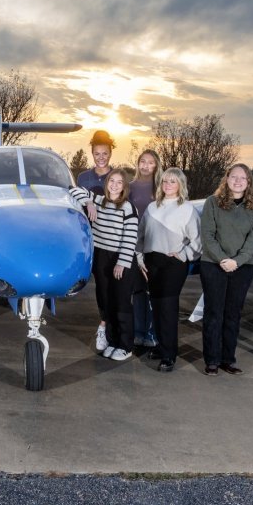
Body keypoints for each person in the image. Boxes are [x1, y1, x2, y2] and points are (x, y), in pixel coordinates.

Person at [199, 164, 253, 376]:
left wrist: (236, 261)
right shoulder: (212, 202)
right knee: (213, 313)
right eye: (234, 177)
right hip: (213, 265)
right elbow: (207, 235)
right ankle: (212, 360)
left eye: (243, 178)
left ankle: (228, 359)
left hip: (242, 267)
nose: (238, 181)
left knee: (232, 315)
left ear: (249, 182)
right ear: (227, 178)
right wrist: (223, 259)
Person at [71, 168, 139, 361]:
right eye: (112, 181)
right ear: (106, 183)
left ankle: (125, 346)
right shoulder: (99, 201)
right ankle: (112, 341)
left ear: (124, 186)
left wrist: (122, 263)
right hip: (101, 256)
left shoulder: (128, 207)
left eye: (119, 182)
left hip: (121, 259)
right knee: (106, 301)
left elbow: (130, 238)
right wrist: (89, 202)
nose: (115, 185)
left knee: (121, 303)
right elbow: (72, 189)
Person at [137, 168, 200, 372]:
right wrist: (139, 259)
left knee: (168, 308)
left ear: (180, 185)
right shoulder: (151, 208)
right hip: (151, 261)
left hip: (173, 264)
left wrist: (183, 255)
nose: (168, 185)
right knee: (156, 306)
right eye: (165, 181)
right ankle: (162, 346)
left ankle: (169, 355)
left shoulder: (188, 209)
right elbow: (140, 237)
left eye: (173, 182)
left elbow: (198, 242)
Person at [76, 129, 115, 350]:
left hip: (107, 238)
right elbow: (73, 194)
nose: (101, 157)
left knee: (104, 286)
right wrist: (89, 201)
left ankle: (104, 326)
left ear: (110, 153)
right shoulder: (83, 177)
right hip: (86, 237)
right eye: (97, 153)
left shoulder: (117, 176)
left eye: (104, 153)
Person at [129, 149, 161, 350]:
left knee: (153, 291)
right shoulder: (130, 186)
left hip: (154, 245)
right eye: (142, 161)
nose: (146, 165)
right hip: (133, 244)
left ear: (156, 165)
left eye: (150, 162)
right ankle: (138, 331)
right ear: (138, 164)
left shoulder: (161, 187)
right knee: (137, 290)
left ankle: (152, 332)